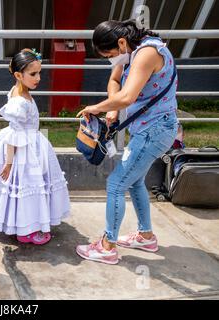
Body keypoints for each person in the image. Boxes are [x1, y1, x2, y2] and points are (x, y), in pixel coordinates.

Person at [75, 19, 179, 265]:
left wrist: (98, 107)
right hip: (147, 129)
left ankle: (107, 246)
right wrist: (113, 108)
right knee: (134, 182)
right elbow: (115, 82)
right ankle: (146, 236)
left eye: (110, 53)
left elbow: (128, 96)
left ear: (121, 42)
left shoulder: (146, 53)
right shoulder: (130, 50)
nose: (111, 59)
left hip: (154, 131)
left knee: (116, 184)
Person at [0, 48, 71, 245]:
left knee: (24, 188)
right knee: (25, 186)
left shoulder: (19, 90)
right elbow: (15, 136)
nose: (38, 78)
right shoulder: (19, 101)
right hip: (21, 148)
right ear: (18, 75)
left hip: (29, 143)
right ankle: (25, 230)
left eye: (39, 72)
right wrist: (8, 164)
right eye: (33, 74)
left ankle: (22, 223)